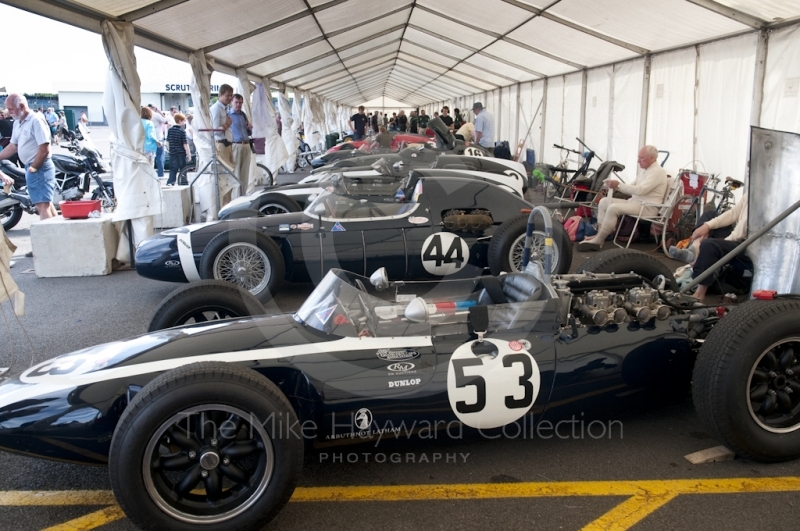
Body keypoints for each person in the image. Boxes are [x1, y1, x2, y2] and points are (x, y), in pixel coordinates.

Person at [578, 145, 668, 251]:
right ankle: (599, 236)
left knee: (613, 208)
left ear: (652, 158)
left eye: (641, 158)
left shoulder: (658, 171)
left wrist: (618, 185)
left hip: (648, 207)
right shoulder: (646, 170)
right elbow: (631, 187)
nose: (638, 161)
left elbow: (640, 190)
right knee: (604, 201)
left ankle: (598, 240)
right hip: (636, 203)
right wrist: (614, 185)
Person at [669, 195, 749, 302]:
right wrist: (707, 226)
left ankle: (699, 293)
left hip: (748, 244)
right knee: (709, 215)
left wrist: (721, 242)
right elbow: (733, 213)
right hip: (737, 237)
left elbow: (740, 232)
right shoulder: (750, 190)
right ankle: (694, 250)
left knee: (709, 245)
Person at [0, 94, 57, 223]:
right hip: (32, 167)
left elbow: (44, 148)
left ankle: (49, 238)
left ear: (21, 106)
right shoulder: (17, 122)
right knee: (46, 204)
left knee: (42, 206)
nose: (8, 112)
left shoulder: (35, 120)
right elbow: (13, 146)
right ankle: (56, 237)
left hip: (40, 166)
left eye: (11, 109)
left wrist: (34, 167)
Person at [228, 93, 252, 193]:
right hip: (236, 145)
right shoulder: (228, 115)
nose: (238, 105)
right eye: (236, 102)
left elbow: (248, 131)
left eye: (240, 103)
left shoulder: (243, 115)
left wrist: (249, 128)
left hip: (246, 144)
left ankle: (244, 194)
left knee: (245, 173)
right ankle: (236, 197)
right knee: (236, 172)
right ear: (231, 102)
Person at [210, 84, 235, 170]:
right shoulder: (216, 108)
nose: (229, 98)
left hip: (227, 143)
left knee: (231, 170)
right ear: (220, 95)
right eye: (227, 95)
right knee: (226, 171)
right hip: (220, 143)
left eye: (231, 95)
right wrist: (227, 124)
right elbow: (215, 130)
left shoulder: (225, 108)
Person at [166, 113, 191, 186]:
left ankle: (171, 182)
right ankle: (183, 182)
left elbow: (168, 142)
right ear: (180, 121)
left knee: (173, 168)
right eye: (183, 121)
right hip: (181, 152)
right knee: (183, 168)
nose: (184, 122)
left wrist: (169, 149)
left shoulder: (170, 130)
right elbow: (185, 144)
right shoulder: (182, 131)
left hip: (172, 152)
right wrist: (188, 154)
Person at [149, 105, 167, 177]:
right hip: (159, 137)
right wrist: (160, 112)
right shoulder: (156, 115)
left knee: (150, 156)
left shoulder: (146, 116)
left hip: (150, 139)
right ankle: (160, 173)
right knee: (160, 156)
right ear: (154, 108)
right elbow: (165, 121)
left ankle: (150, 172)